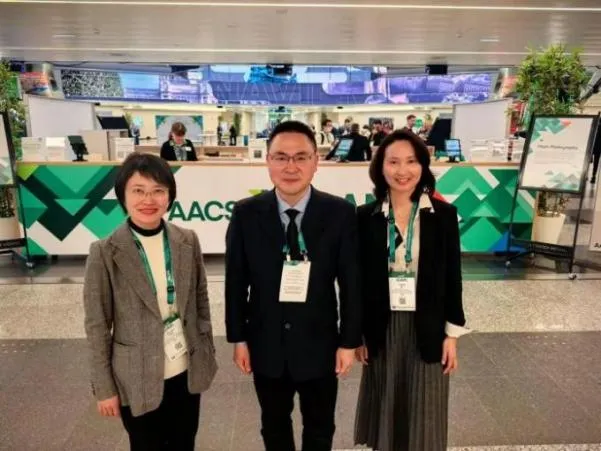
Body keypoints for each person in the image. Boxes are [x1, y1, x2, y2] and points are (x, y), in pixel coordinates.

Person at [225, 120, 362, 451]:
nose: (291, 167)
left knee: (320, 428)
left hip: (321, 344)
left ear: (316, 162)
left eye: (301, 157)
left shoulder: (340, 213)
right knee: (273, 426)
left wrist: (348, 342)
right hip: (266, 343)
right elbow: (236, 282)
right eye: (281, 157)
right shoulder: (246, 214)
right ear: (267, 161)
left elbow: (351, 283)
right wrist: (238, 338)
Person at [83, 153, 217, 451]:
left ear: (169, 196)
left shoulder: (187, 240)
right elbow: (97, 326)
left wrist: (206, 350)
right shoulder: (104, 252)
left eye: (158, 190)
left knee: (184, 443)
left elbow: (200, 298)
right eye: (138, 190)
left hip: (185, 370)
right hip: (136, 375)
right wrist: (104, 388)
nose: (148, 199)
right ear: (123, 196)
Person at [354, 130, 469, 451]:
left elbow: (453, 278)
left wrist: (452, 336)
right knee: (386, 409)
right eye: (393, 162)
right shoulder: (366, 216)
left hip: (428, 325)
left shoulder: (443, 215)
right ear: (380, 167)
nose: (402, 171)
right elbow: (358, 282)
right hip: (383, 326)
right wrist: (357, 334)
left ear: (423, 166)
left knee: (424, 411)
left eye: (411, 161)